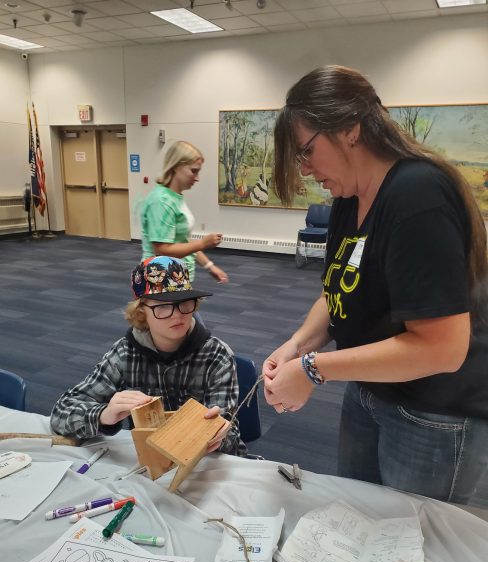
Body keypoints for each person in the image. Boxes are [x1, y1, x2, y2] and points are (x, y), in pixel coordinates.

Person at [263, 65, 488, 504]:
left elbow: (442, 347)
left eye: (307, 152)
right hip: (371, 388)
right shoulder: (349, 199)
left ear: (350, 129)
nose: (306, 169)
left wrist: (313, 369)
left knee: (413, 541)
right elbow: (339, 290)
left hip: (433, 409)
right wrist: (298, 345)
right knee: (360, 517)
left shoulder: (417, 193)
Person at [51, 256, 246, 456]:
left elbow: (230, 438)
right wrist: (103, 414)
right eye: (162, 306)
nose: (177, 314)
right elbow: (61, 413)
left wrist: (219, 433)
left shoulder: (216, 355)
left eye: (185, 302)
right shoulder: (124, 354)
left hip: (206, 463)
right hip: (151, 460)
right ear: (141, 311)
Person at [140, 140, 228, 284]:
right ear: (176, 167)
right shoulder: (162, 200)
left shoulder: (174, 197)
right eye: (193, 171)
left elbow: (182, 241)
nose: (197, 178)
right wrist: (203, 243)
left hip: (175, 276)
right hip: (161, 278)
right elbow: (162, 249)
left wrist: (209, 265)